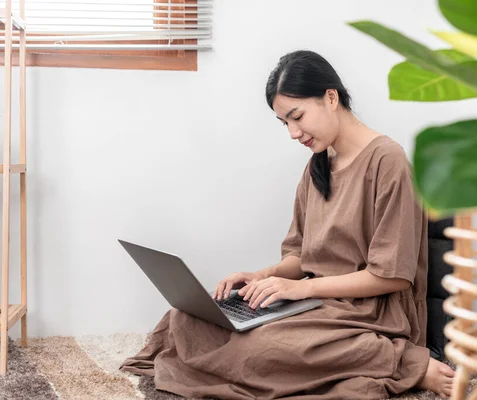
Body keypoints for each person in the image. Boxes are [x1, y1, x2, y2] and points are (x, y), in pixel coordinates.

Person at [120, 50, 455, 399]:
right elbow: (302, 256)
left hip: (368, 312)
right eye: (285, 123)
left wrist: (302, 290)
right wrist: (263, 276)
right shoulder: (318, 165)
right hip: (315, 303)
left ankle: (404, 363)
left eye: (297, 117)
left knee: (262, 345)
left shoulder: (389, 160)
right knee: (185, 319)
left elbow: (393, 276)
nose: (294, 133)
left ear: (330, 97)